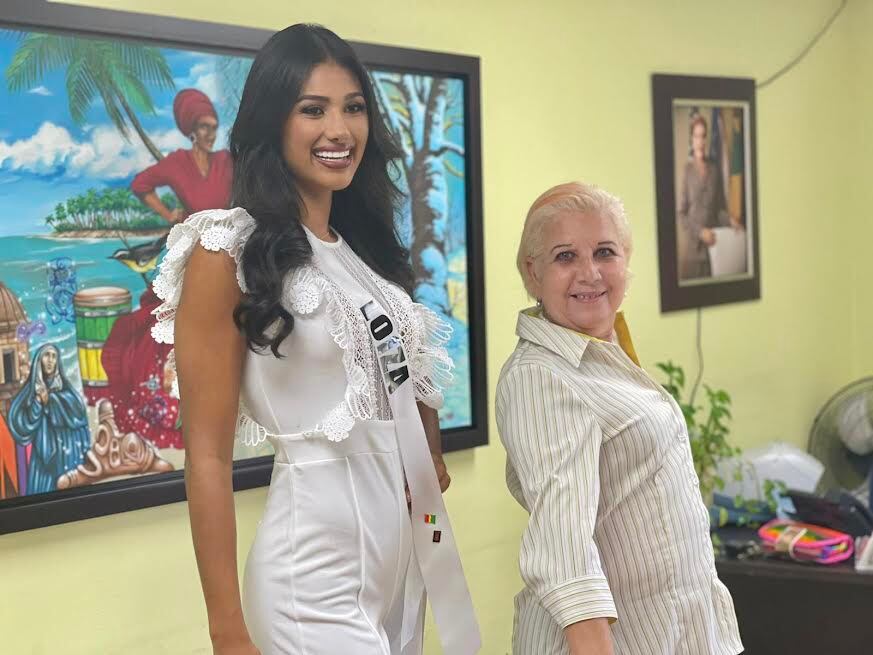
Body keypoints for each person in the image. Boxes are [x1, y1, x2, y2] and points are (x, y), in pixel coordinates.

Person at [149, 24, 479, 655]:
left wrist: (425, 458)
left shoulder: (363, 256)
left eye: (353, 107)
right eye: (313, 109)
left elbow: (403, 388)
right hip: (310, 584)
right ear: (272, 121)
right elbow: (208, 457)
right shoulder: (227, 249)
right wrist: (226, 630)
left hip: (398, 572)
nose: (339, 129)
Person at [496, 182, 743, 655]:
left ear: (626, 260)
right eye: (565, 256)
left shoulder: (604, 354)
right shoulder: (540, 378)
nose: (589, 273)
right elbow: (564, 554)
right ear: (532, 272)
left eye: (605, 252)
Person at [131, 87, 232, 223]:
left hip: (229, 234)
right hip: (193, 234)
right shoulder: (177, 163)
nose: (211, 135)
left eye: (214, 128)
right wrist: (168, 215)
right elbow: (139, 184)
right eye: (204, 127)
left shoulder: (225, 160)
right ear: (192, 129)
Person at [8, 344, 91, 494]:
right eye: (46, 355)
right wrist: (38, 403)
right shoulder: (31, 391)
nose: (50, 360)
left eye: (54, 356)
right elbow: (24, 423)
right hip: (42, 459)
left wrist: (50, 400)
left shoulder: (65, 388)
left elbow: (78, 412)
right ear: (39, 360)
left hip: (65, 455)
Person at [677, 114, 740, 279]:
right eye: (697, 136)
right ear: (692, 139)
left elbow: (718, 210)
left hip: (714, 249)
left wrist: (731, 221)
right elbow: (681, 214)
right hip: (692, 252)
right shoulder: (687, 171)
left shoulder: (714, 170)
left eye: (703, 136)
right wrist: (700, 232)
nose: (700, 141)